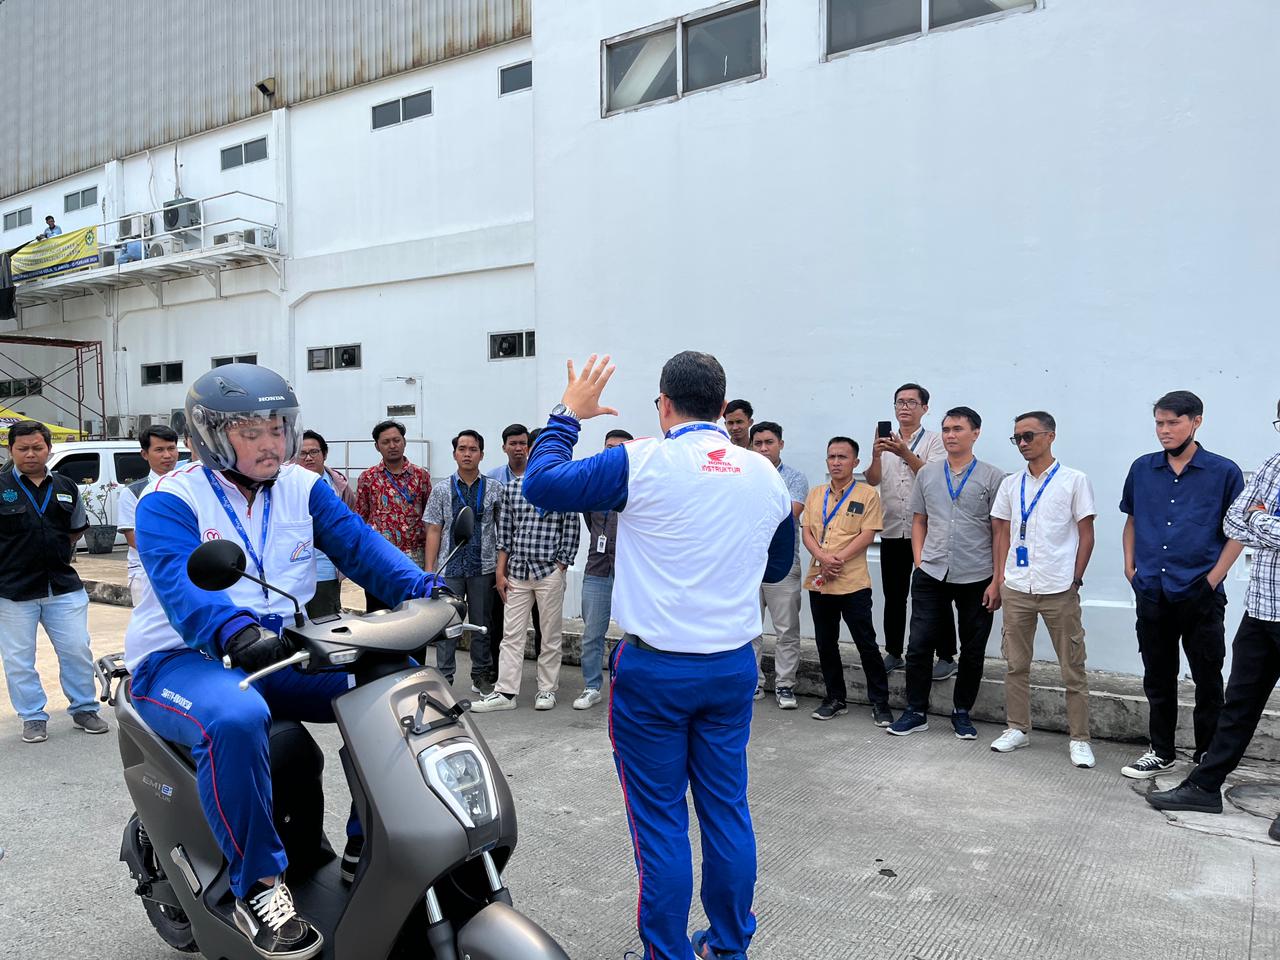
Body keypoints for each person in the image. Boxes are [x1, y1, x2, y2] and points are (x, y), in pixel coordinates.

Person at [126, 364, 440, 959]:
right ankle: (259, 888)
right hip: (185, 659)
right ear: (215, 435)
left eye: (278, 427)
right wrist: (235, 632)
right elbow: (180, 587)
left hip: (282, 650)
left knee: (394, 680)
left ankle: (368, 842)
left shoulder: (302, 485)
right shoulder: (170, 499)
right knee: (236, 718)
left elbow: (360, 545)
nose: (272, 442)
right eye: (253, 431)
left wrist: (425, 588)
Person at [519, 351, 792, 960]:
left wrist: (568, 415)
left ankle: (665, 952)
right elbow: (775, 565)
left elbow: (541, 484)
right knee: (726, 812)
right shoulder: (764, 473)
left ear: (664, 406)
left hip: (656, 670)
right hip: (730, 666)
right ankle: (728, 947)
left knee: (661, 822)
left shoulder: (641, 460)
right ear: (724, 409)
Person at [1147, 401, 1280, 841]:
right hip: (1262, 608)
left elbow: (1250, 523)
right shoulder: (1272, 465)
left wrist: (1261, 518)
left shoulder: (1235, 471)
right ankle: (1205, 786)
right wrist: (1262, 519)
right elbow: (1234, 521)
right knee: (1238, 705)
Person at [1118, 392, 1244, 779]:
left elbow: (1237, 532)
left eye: (1173, 422)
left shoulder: (1223, 472)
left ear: (1196, 422)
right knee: (1157, 676)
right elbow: (1133, 520)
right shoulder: (1142, 468)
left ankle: (1207, 754)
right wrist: (1130, 569)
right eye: (1159, 422)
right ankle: (1161, 750)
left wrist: (1211, 580)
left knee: (1208, 677)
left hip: (1200, 592)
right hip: (1152, 589)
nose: (1164, 431)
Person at [887, 407, 1005, 739]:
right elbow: (919, 519)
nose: (950, 435)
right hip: (932, 571)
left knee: (973, 647)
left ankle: (962, 711)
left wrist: (998, 579)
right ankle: (915, 710)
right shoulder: (927, 474)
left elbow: (999, 531)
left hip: (977, 573)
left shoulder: (994, 477)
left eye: (957, 429)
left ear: (976, 433)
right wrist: (920, 560)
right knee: (919, 644)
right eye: (946, 429)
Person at [989, 411, 1097, 768]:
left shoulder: (1074, 480)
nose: (1022, 443)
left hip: (1058, 588)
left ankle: (1079, 738)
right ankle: (1017, 728)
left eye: (1029, 436)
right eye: (1017, 437)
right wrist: (998, 580)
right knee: (1016, 665)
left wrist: (1075, 580)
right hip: (1018, 586)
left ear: (1050, 436)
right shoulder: (1010, 484)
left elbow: (1086, 534)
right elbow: (1001, 534)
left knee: (1072, 668)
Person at [0, 420, 104, 743]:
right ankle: (32, 716)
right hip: (13, 590)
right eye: (23, 448)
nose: (30, 454)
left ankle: (85, 708)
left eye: (37, 447)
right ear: (10, 450)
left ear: (48, 448)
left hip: (62, 586)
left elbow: (76, 528)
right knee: (19, 659)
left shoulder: (66, 486)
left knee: (76, 649)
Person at [471, 431, 580, 713]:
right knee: (511, 634)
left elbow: (571, 530)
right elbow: (504, 533)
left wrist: (561, 565)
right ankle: (506, 693)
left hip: (548, 572)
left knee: (550, 634)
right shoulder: (514, 488)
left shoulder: (564, 489)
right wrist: (501, 571)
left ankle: (546, 690)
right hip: (518, 571)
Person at [802, 437, 894, 726]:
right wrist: (822, 558)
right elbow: (806, 531)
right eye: (832, 457)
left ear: (855, 462)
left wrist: (835, 559)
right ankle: (834, 698)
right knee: (825, 643)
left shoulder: (867, 495)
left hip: (852, 582)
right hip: (820, 581)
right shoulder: (816, 494)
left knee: (866, 643)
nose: (836, 462)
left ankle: (880, 702)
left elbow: (867, 534)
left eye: (843, 457)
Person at [865, 383, 952, 678]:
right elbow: (873, 479)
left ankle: (947, 655)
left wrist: (904, 453)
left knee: (933, 594)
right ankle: (893, 651)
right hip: (891, 529)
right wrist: (877, 455)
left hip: (926, 531)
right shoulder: (883, 438)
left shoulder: (935, 440)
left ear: (924, 408)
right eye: (900, 402)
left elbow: (934, 477)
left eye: (912, 402)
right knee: (894, 595)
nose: (904, 407)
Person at [424, 429, 502, 691]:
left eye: (473, 449)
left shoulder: (494, 488)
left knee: (482, 624)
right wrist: (430, 570)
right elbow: (434, 528)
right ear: (454, 453)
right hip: (450, 568)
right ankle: (444, 676)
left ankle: (480, 674)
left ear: (481, 454)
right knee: (447, 624)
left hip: (484, 566)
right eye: (462, 449)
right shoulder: (442, 489)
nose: (467, 454)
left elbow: (502, 528)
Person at [750, 420, 809, 708]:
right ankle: (754, 682)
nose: (763, 448)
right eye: (758, 443)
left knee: (786, 629)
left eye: (769, 442)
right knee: (749, 629)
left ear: (780, 444)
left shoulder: (795, 478)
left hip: (783, 564)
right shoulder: (743, 474)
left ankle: (785, 685)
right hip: (747, 564)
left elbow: (789, 513)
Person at [575, 428, 633, 710]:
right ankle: (591, 686)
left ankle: (628, 685)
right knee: (592, 633)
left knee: (635, 633)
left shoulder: (638, 484)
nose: (612, 453)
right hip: (597, 568)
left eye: (619, 448)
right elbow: (591, 522)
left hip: (630, 572)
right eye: (608, 447)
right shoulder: (594, 486)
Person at [355, 418, 431, 611]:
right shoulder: (368, 478)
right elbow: (360, 518)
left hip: (414, 558)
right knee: (379, 613)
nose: (392, 446)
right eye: (385, 442)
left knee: (414, 612)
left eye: (396, 440)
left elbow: (429, 519)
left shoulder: (421, 476)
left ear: (404, 442)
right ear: (377, 446)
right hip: (379, 557)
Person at [295, 429, 357, 620]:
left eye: (314, 452)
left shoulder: (339, 486)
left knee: (325, 626)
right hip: (294, 572)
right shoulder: (285, 485)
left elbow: (352, 522)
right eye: (302, 453)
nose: (308, 458)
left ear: (325, 454)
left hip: (326, 571)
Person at [117, 424, 182, 606]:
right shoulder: (133, 492)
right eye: (159, 450)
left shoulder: (190, 486)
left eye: (171, 448)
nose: (167, 455)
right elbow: (134, 539)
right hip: (147, 572)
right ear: (144, 454)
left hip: (185, 569)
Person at [485, 423, 530, 672]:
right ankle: (497, 669)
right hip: (500, 562)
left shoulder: (539, 476)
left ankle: (542, 679)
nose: (518, 448)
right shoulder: (493, 479)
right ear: (504, 447)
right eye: (513, 443)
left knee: (540, 622)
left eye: (522, 443)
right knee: (498, 618)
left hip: (532, 562)